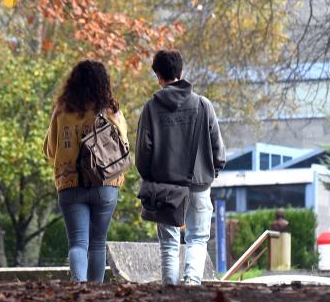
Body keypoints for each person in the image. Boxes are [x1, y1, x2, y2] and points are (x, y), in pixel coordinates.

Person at [136, 49, 226, 285]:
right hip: (199, 183)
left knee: (169, 242)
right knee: (197, 238)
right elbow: (218, 148)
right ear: (181, 72)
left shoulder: (151, 108)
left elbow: (143, 152)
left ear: (158, 76)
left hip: (165, 186)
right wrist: (210, 173)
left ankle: (170, 289)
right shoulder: (203, 105)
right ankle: (192, 284)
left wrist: (151, 179)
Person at [44, 60, 128, 282]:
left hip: (70, 183)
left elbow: (50, 150)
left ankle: (79, 287)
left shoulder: (62, 110)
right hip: (105, 184)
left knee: (78, 243)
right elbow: (124, 146)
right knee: (98, 243)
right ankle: (96, 292)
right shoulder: (111, 110)